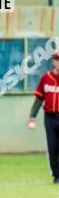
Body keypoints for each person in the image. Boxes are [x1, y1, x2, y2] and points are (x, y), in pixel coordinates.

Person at [27, 51, 59, 183]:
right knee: (53, 146)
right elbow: (39, 99)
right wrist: (32, 116)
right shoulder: (46, 78)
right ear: (53, 61)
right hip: (50, 117)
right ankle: (56, 175)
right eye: (57, 59)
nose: (58, 62)